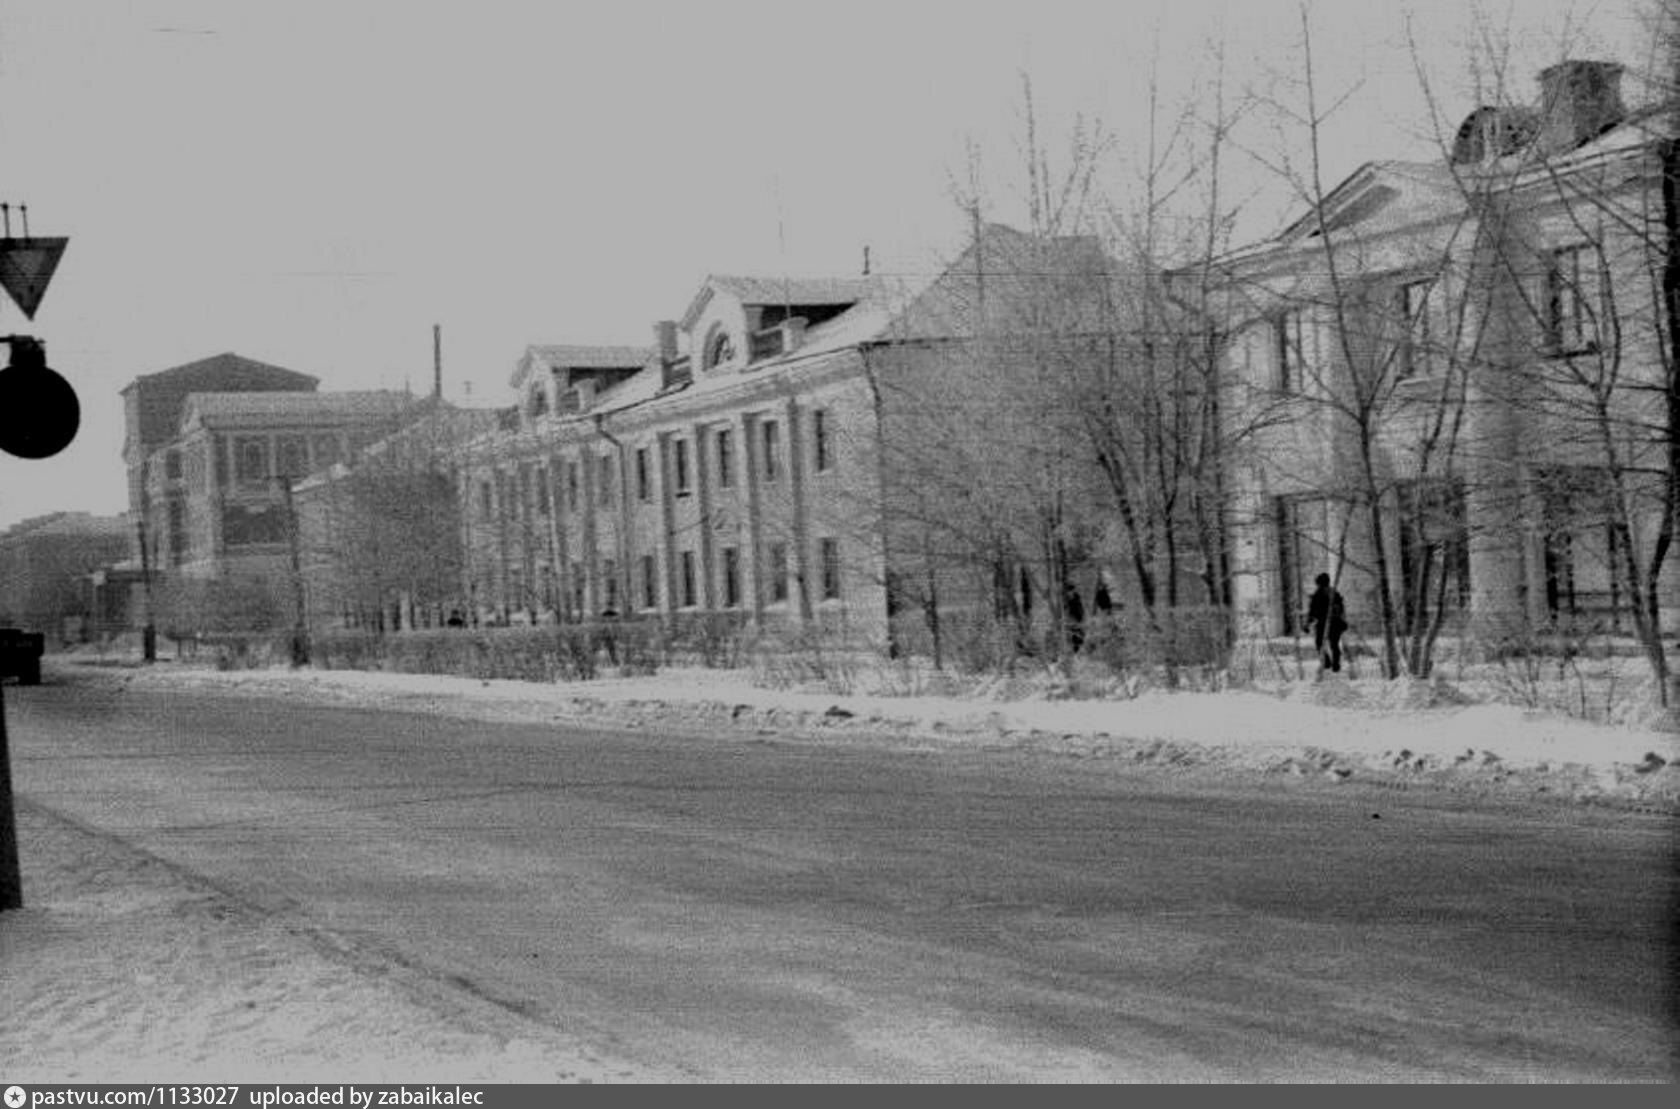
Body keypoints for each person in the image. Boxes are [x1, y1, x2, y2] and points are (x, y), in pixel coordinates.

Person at [1305, 572, 1347, 674]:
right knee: (1332, 644)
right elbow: (1341, 609)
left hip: (1326, 623)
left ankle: (1330, 663)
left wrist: (1307, 624)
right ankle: (1333, 664)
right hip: (1333, 623)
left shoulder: (1319, 594)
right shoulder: (1333, 592)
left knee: (1321, 643)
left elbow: (1312, 611)